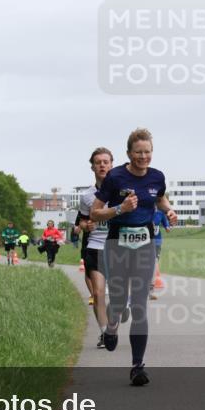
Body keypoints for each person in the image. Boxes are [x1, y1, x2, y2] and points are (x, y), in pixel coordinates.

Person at [89, 128, 178, 387]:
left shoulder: (157, 177)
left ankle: (138, 366)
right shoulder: (115, 177)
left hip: (145, 246)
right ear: (129, 154)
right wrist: (120, 209)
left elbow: (160, 199)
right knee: (117, 301)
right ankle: (112, 325)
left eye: (147, 152)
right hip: (117, 246)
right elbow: (95, 214)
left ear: (152, 153)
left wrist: (169, 211)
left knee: (139, 306)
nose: (143, 157)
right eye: (138, 152)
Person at [78, 147, 114, 348]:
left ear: (111, 165)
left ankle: (114, 320)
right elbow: (82, 222)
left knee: (118, 298)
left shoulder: (122, 192)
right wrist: (86, 225)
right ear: (92, 167)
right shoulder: (86, 196)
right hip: (95, 245)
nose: (102, 165)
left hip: (119, 247)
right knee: (98, 294)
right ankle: (104, 333)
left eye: (105, 161)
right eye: (98, 162)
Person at [148, 209, 171, 300]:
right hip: (144, 241)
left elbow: (167, 227)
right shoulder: (145, 211)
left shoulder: (160, 213)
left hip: (157, 242)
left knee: (153, 264)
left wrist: (169, 226)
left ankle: (150, 292)